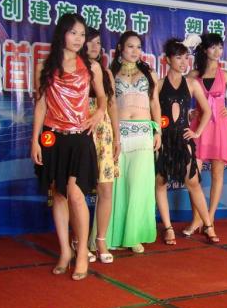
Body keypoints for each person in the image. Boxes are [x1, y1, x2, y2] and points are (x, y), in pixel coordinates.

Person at [31, 13, 106, 280]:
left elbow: (102, 96)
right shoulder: (44, 66)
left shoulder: (92, 66)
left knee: (75, 194)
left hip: (80, 136)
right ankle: (65, 251)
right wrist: (35, 140)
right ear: (62, 33)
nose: (78, 39)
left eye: (82, 34)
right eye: (73, 33)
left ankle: (82, 251)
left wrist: (99, 113)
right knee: (59, 194)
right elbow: (40, 104)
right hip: (53, 137)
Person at [183, 33, 227, 234]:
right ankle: (197, 218)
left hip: (220, 127)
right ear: (204, 49)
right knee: (193, 176)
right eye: (213, 47)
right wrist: (190, 112)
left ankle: (209, 218)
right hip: (199, 126)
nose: (218, 51)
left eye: (220, 47)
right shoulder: (194, 74)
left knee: (217, 174)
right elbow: (180, 98)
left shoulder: (226, 74)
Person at [155, 38, 219, 243]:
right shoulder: (158, 84)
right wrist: (156, 134)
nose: (184, 62)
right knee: (160, 183)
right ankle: (168, 228)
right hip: (163, 140)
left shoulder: (191, 84)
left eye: (186, 58)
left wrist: (197, 132)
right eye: (178, 58)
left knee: (193, 182)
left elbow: (207, 111)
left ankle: (208, 225)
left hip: (183, 140)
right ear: (167, 60)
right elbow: (151, 112)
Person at [108, 31, 161, 253]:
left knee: (139, 184)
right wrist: (112, 135)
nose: (135, 51)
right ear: (121, 48)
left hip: (143, 132)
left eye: (138, 47)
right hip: (119, 133)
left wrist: (158, 131)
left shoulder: (149, 73)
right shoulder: (110, 72)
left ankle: (134, 235)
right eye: (130, 46)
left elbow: (155, 103)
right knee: (117, 185)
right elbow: (109, 103)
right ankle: (113, 236)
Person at [84, 28, 120, 263]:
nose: (95, 47)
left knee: (106, 188)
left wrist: (117, 137)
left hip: (104, 133)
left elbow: (112, 105)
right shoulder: (73, 69)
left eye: (98, 43)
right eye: (90, 42)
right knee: (77, 190)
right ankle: (78, 241)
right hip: (80, 129)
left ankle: (101, 240)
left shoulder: (105, 72)